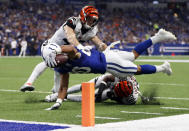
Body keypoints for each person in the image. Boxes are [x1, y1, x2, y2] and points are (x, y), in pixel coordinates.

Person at [45, 28, 177, 110]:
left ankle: (163, 66)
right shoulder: (125, 83)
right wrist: (59, 100)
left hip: (108, 63)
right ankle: (158, 40)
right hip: (108, 60)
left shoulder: (128, 98)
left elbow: (72, 49)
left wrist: (57, 48)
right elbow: (64, 86)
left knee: (95, 96)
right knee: (133, 57)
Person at [20, 5, 107, 92]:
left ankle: (55, 91)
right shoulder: (73, 21)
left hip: (65, 52)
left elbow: (99, 43)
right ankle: (28, 83)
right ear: (83, 16)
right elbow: (70, 37)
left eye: (93, 20)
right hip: (52, 46)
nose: (91, 21)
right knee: (48, 61)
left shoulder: (91, 30)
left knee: (60, 69)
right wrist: (81, 47)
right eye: (89, 18)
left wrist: (106, 49)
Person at [45, 74, 140, 105]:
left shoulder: (131, 99)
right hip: (108, 80)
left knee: (90, 99)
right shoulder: (123, 76)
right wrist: (99, 92)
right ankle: (59, 93)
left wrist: (114, 98)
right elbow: (106, 78)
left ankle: (63, 96)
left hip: (115, 91)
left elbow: (121, 101)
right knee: (86, 86)